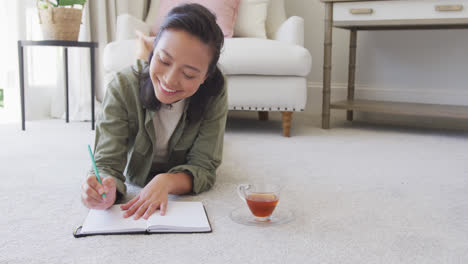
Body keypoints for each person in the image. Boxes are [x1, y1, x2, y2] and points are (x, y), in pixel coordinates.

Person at [80, 3, 227, 220]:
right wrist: (103, 188)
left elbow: (203, 167)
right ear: (153, 51)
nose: (170, 80)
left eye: (189, 74)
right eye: (164, 60)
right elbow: (106, 163)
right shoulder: (122, 87)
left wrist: (167, 181)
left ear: (206, 76)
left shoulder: (214, 91)